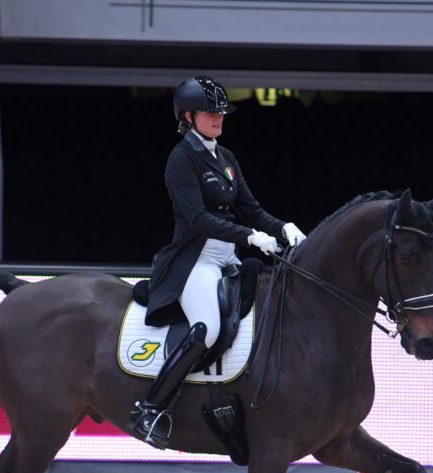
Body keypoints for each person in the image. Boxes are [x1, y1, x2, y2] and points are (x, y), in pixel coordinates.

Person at [128, 75, 306, 448]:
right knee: (206, 328)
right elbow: (197, 218)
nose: (220, 118)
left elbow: (251, 209)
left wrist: (284, 226)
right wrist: (249, 237)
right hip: (195, 260)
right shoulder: (181, 159)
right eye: (212, 113)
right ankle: (149, 408)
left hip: (228, 258)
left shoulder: (225, 158)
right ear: (189, 116)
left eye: (222, 112)